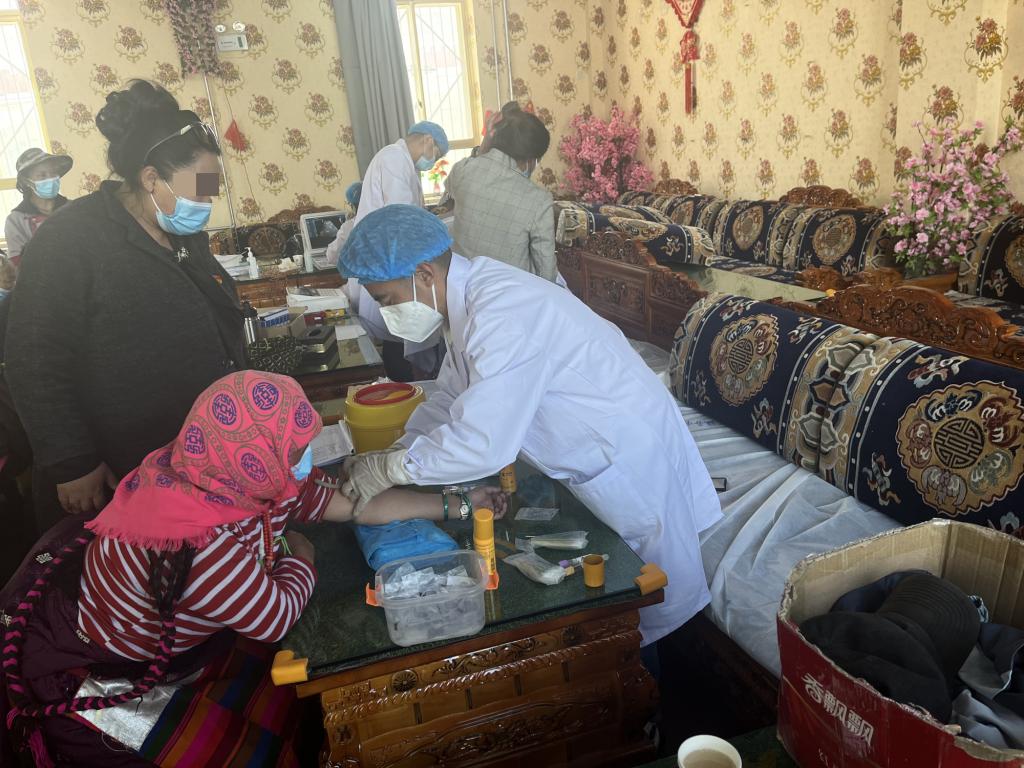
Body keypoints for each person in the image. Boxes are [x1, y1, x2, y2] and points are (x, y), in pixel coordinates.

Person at [0, 371, 506, 766]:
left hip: (189, 635)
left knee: (284, 705)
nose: (307, 461)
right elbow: (274, 617)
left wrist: (457, 503)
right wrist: (301, 556)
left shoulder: (231, 470)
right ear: (257, 456)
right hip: (116, 665)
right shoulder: (196, 541)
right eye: (296, 451)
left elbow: (351, 503)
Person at [337, 205, 721, 648]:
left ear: (424, 274)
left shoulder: (501, 313)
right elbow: (450, 396)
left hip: (625, 449)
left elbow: (484, 442)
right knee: (629, 593)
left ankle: (662, 679)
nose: (386, 313)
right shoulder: (467, 299)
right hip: (600, 440)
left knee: (643, 593)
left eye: (387, 300)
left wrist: (394, 469)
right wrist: (398, 451)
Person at [4, 80, 245, 532]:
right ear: (151, 178)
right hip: (116, 470)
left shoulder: (183, 236)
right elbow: (33, 359)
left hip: (193, 459)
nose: (207, 202)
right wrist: (72, 461)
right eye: (201, 189)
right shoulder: (70, 239)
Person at [325, 122, 450, 381]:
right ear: (427, 140)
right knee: (398, 334)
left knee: (401, 335)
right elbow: (401, 218)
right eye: (436, 153)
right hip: (389, 266)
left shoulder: (404, 163)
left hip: (394, 264)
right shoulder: (394, 158)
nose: (433, 161)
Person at [444, 106, 557, 281]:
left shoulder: (462, 171)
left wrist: (486, 144)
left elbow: (450, 190)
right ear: (531, 159)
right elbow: (546, 271)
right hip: (510, 291)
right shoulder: (539, 200)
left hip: (460, 286)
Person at [4, 147, 73, 266]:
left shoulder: (74, 209)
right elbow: (18, 263)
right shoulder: (16, 220)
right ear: (27, 182)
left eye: (53, 173)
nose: (50, 178)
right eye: (42, 175)